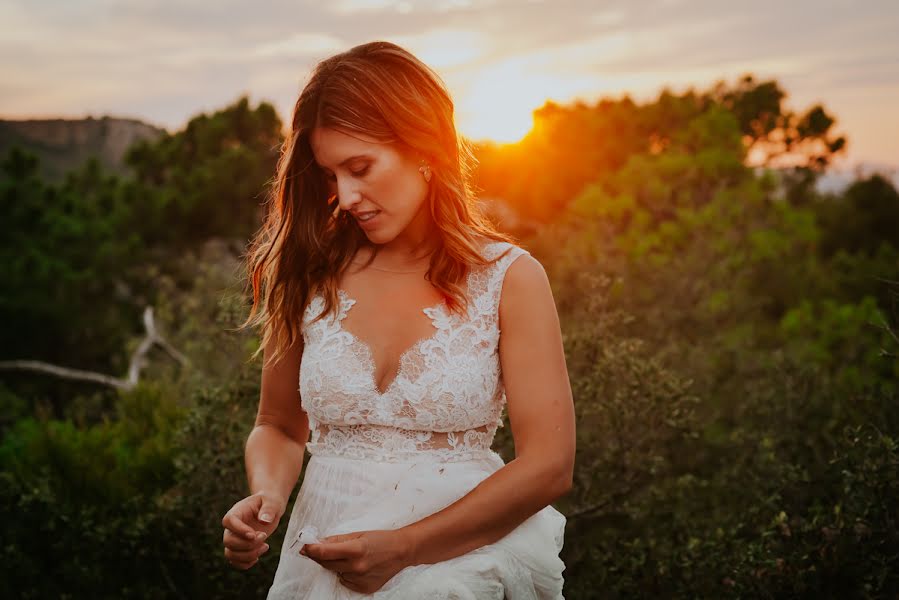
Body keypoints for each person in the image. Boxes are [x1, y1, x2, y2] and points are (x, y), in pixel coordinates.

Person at [221, 40, 576, 599]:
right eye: (330, 176)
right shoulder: (306, 274)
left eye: (360, 168)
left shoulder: (510, 278)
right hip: (323, 561)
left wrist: (406, 547)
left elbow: (550, 466)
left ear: (423, 147)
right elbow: (280, 425)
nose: (346, 195)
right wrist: (265, 497)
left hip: (465, 564)